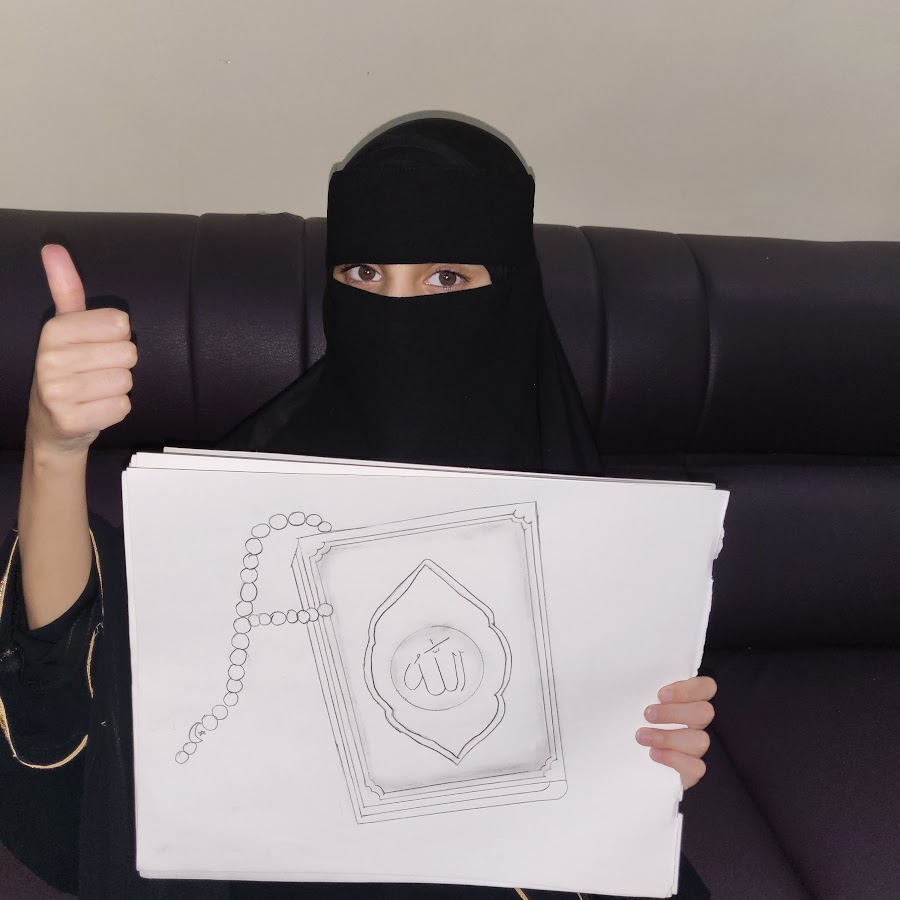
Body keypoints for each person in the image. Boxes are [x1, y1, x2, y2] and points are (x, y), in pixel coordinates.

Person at [0, 117, 716, 899]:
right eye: (366, 274)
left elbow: (607, 764)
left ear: (510, 291)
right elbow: (75, 661)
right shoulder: (250, 499)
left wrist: (649, 761)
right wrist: (53, 449)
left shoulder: (594, 524)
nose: (396, 311)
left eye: (446, 279)